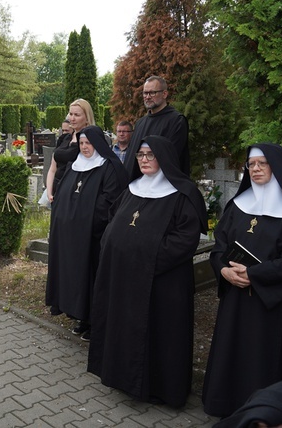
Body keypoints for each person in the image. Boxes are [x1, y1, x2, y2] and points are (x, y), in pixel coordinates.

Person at [201, 143, 282, 419]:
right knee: (234, 350)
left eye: (262, 163)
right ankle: (228, 403)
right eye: (251, 164)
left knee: (264, 357)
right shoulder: (237, 205)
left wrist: (254, 275)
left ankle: (265, 412)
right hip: (236, 299)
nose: (256, 169)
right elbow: (220, 245)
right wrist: (223, 270)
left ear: (276, 166)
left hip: (274, 304)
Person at [88, 135, 207, 408]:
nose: (143, 160)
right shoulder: (132, 189)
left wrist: (142, 259)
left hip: (163, 282)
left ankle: (161, 389)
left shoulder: (183, 194)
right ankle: (123, 379)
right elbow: (113, 222)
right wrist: (114, 248)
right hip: (126, 277)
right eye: (140, 155)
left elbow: (185, 239)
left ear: (164, 158)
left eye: (150, 155)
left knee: (161, 334)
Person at [46, 125, 129, 341]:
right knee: (76, 277)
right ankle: (81, 317)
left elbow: (109, 202)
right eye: (81, 143)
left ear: (98, 144)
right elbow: (64, 195)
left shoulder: (110, 167)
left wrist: (82, 220)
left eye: (88, 143)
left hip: (95, 238)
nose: (84, 148)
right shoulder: (75, 166)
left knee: (93, 279)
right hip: (74, 236)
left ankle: (96, 322)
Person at [124, 76, 189, 176]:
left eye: (152, 92)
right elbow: (131, 158)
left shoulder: (176, 121)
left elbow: (171, 159)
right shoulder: (140, 123)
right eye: (145, 93)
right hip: (137, 185)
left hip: (162, 186)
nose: (148, 96)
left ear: (164, 94)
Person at [46, 99, 96, 203]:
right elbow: (52, 168)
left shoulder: (89, 141)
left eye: (77, 115)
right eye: (70, 114)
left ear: (87, 118)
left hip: (74, 194)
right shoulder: (65, 138)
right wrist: (49, 192)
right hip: (56, 192)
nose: (72, 118)